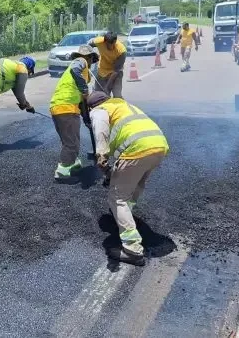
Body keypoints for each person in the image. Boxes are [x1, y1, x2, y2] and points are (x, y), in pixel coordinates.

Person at [86, 91, 169, 266]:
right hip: (159, 145)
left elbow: (100, 129)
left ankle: (132, 249)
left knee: (117, 197)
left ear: (91, 106)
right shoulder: (124, 106)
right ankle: (126, 216)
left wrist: (101, 155)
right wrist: (113, 169)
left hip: (137, 148)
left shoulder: (99, 110)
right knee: (137, 183)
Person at [49, 45, 98, 182]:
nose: (91, 63)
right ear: (89, 57)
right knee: (71, 143)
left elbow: (82, 102)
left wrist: (86, 118)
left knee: (70, 140)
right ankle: (63, 172)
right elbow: (76, 71)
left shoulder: (79, 74)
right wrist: (84, 88)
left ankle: (73, 163)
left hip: (60, 107)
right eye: (91, 60)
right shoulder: (80, 62)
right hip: (66, 108)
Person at [88, 32, 127, 97]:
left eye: (113, 44)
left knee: (117, 95)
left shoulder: (122, 51)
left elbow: (116, 71)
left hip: (116, 74)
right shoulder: (99, 41)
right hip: (102, 71)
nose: (111, 47)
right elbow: (89, 44)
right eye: (109, 44)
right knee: (98, 95)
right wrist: (91, 56)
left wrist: (107, 87)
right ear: (105, 42)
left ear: (115, 41)